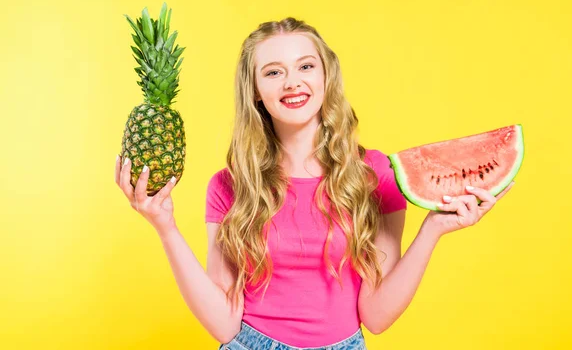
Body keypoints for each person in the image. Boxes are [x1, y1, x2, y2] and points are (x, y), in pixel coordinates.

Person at [115, 17, 514, 350]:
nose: (292, 82)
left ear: (326, 75)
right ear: (255, 90)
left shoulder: (375, 175)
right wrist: (164, 227)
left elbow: (375, 317)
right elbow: (223, 324)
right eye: (273, 72)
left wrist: (434, 229)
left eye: (306, 66)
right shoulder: (230, 185)